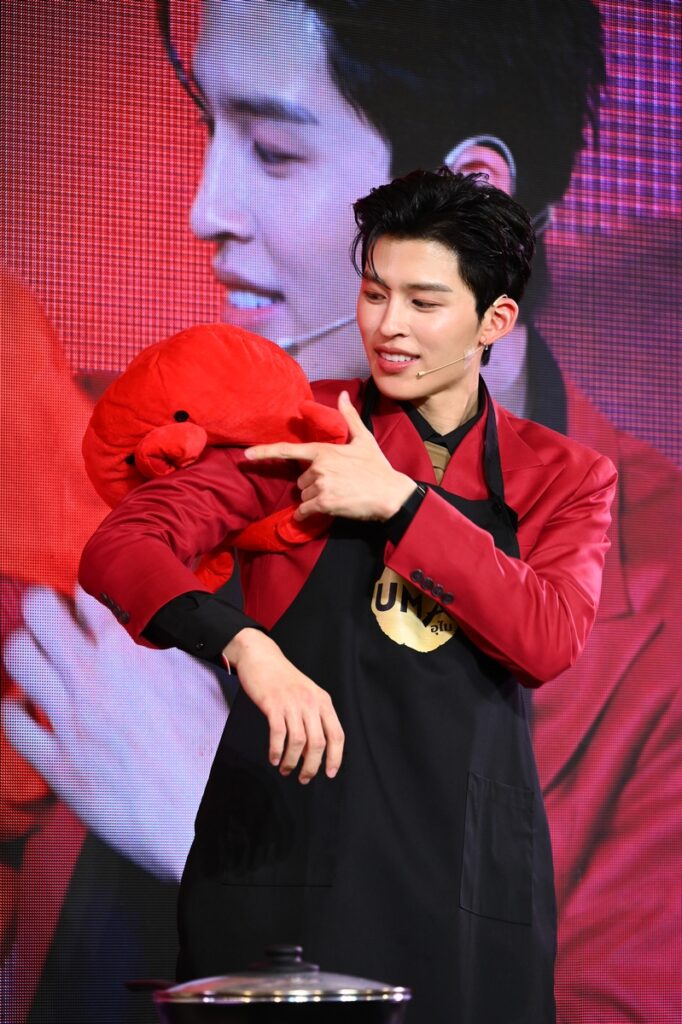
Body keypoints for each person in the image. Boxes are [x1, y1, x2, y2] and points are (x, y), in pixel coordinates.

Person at [5, 2, 680, 1021]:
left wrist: (225, 831)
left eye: (274, 150)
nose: (203, 208)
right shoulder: (153, 456)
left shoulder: (651, 599)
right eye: (209, 127)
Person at [79, 169, 617, 1024]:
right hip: (288, 863)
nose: (388, 325)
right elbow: (123, 546)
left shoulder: (566, 475)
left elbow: (546, 637)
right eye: (374, 293)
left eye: (424, 302)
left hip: (467, 882)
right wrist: (246, 645)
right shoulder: (293, 428)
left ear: (495, 321)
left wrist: (400, 503)